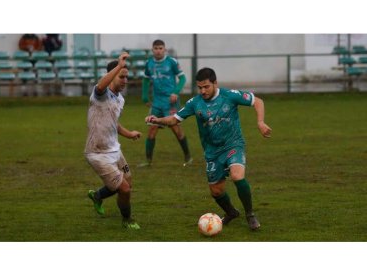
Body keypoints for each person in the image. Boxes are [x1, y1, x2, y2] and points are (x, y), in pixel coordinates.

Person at [145, 67, 272, 230]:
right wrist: (157, 120)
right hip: (212, 151)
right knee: (216, 192)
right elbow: (174, 120)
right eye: (200, 87)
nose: (203, 91)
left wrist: (260, 122)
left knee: (237, 176)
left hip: (233, 144)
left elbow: (258, 101)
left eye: (206, 86)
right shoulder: (195, 103)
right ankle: (232, 212)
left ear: (215, 83)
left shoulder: (229, 95)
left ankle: (250, 215)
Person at [85, 52, 142, 230]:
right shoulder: (99, 95)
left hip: (115, 150)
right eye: (121, 76)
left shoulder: (120, 99)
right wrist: (118, 65)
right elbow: (101, 86)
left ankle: (98, 196)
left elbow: (113, 123)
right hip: (97, 153)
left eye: (126, 77)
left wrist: (129, 134)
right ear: (111, 76)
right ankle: (127, 220)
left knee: (127, 183)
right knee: (124, 189)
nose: (125, 80)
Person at [139, 39, 192, 167]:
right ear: (152, 50)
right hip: (157, 102)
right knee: (152, 129)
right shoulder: (149, 63)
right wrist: (145, 97)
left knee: (176, 129)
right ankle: (148, 161)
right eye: (156, 48)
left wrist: (176, 92)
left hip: (170, 102)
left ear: (165, 50)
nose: (158, 50)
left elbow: (182, 78)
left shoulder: (171, 62)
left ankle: (188, 156)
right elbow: (146, 80)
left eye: (160, 48)